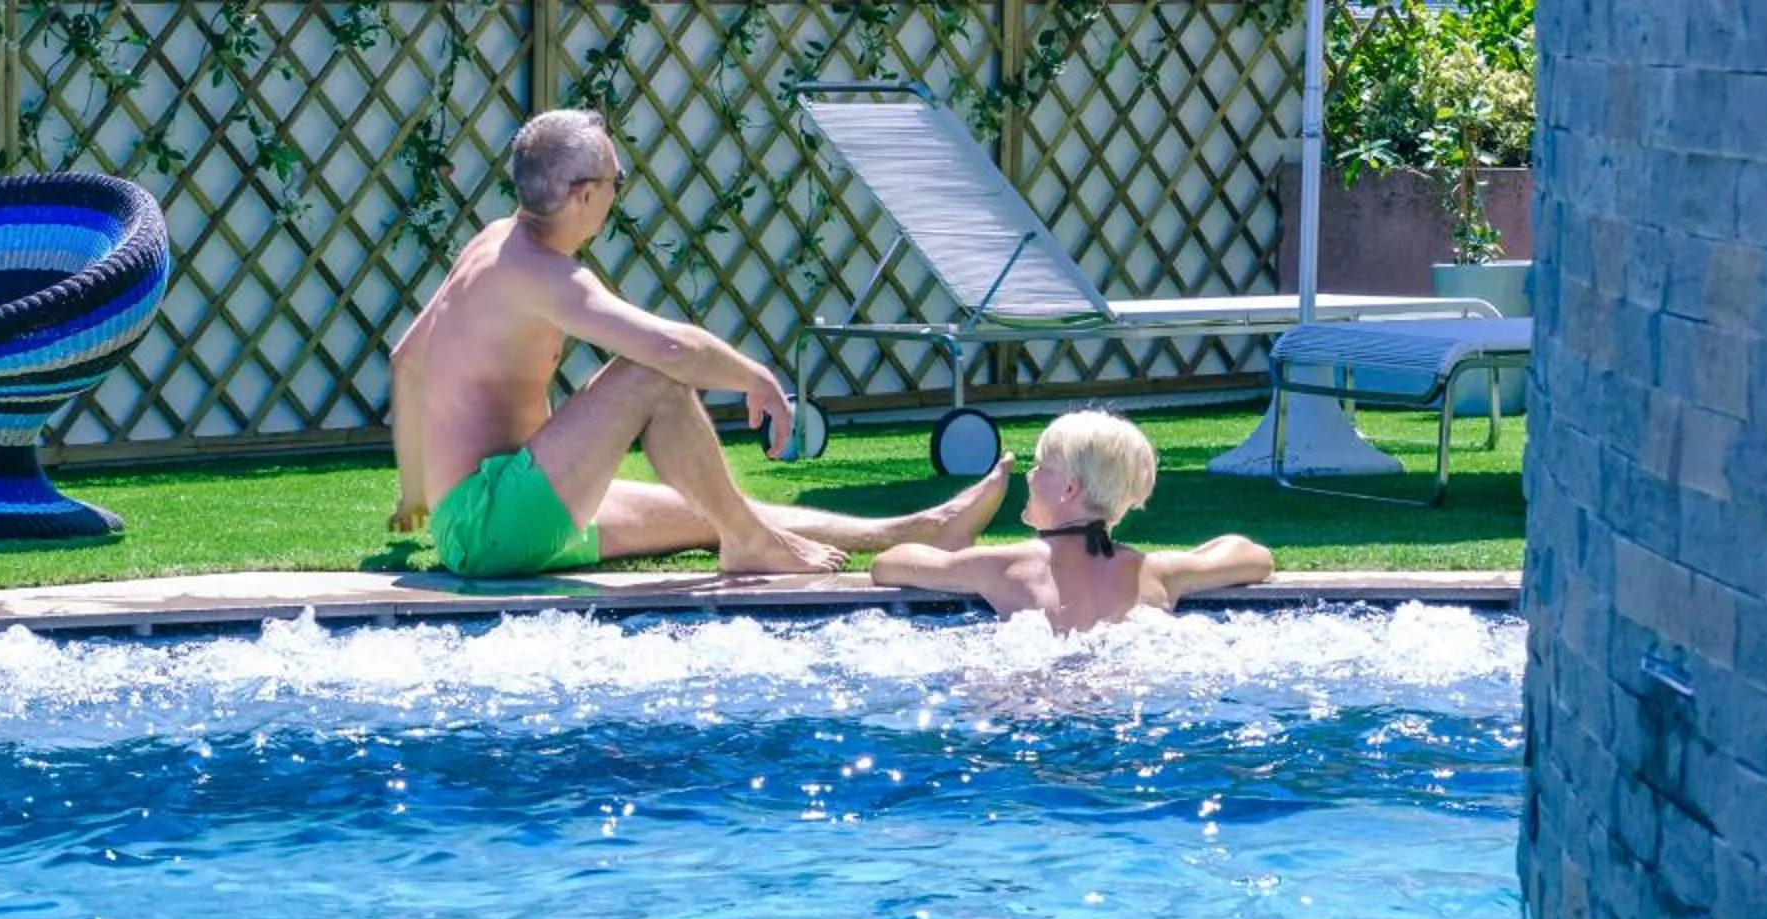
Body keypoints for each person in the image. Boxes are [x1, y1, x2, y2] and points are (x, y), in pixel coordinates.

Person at [388, 108, 1006, 580]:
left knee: (711, 503)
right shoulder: (542, 274)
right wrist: (756, 377)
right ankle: (750, 544)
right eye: (615, 179)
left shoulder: (491, 243)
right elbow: (670, 353)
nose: (616, 189)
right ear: (583, 195)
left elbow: (407, 360)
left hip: (498, 506)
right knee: (648, 375)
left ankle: (923, 528)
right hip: (495, 521)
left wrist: (418, 491)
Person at [871, 410, 1275, 631]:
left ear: (1068, 489)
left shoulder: (1006, 566)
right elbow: (1255, 557)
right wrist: (1189, 558)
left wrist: (960, 534)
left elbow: (888, 564)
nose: (1030, 475)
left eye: (1040, 466)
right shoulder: (1153, 571)